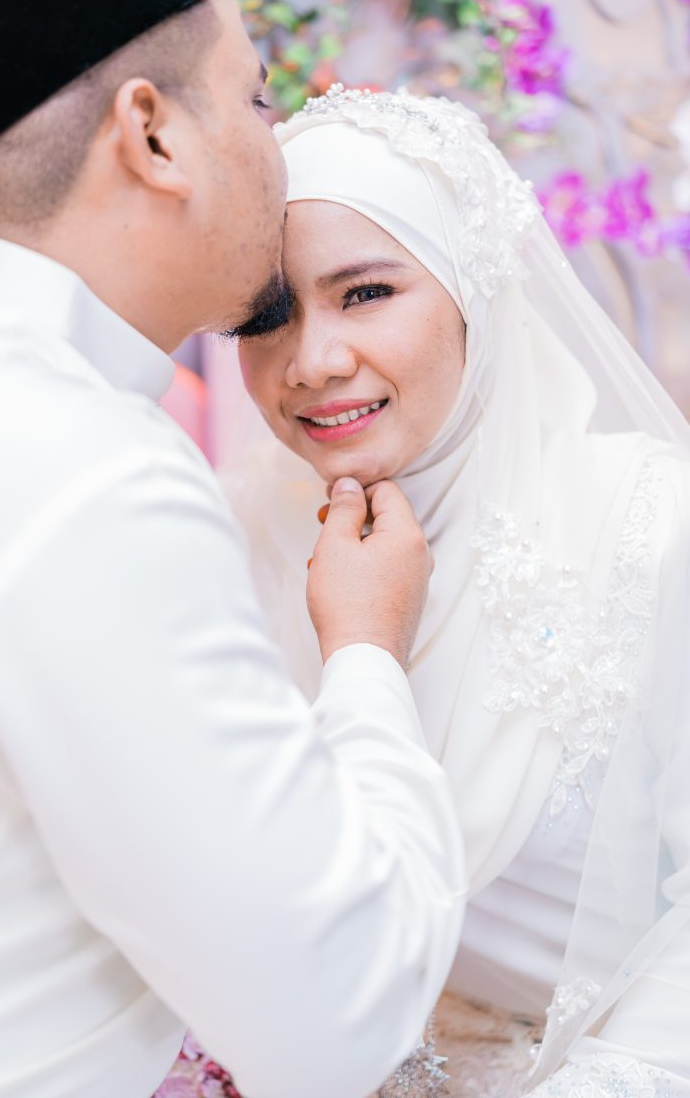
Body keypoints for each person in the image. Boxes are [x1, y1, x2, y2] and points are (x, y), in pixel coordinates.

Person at [0, 0, 468, 1098]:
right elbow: (337, 1017)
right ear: (154, 135)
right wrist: (367, 656)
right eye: (258, 99)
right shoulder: (81, 470)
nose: (278, 144)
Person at [221, 86, 690, 1097]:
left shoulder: (654, 527)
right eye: (267, 315)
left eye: (365, 293)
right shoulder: (231, 554)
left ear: (474, 289)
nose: (313, 362)